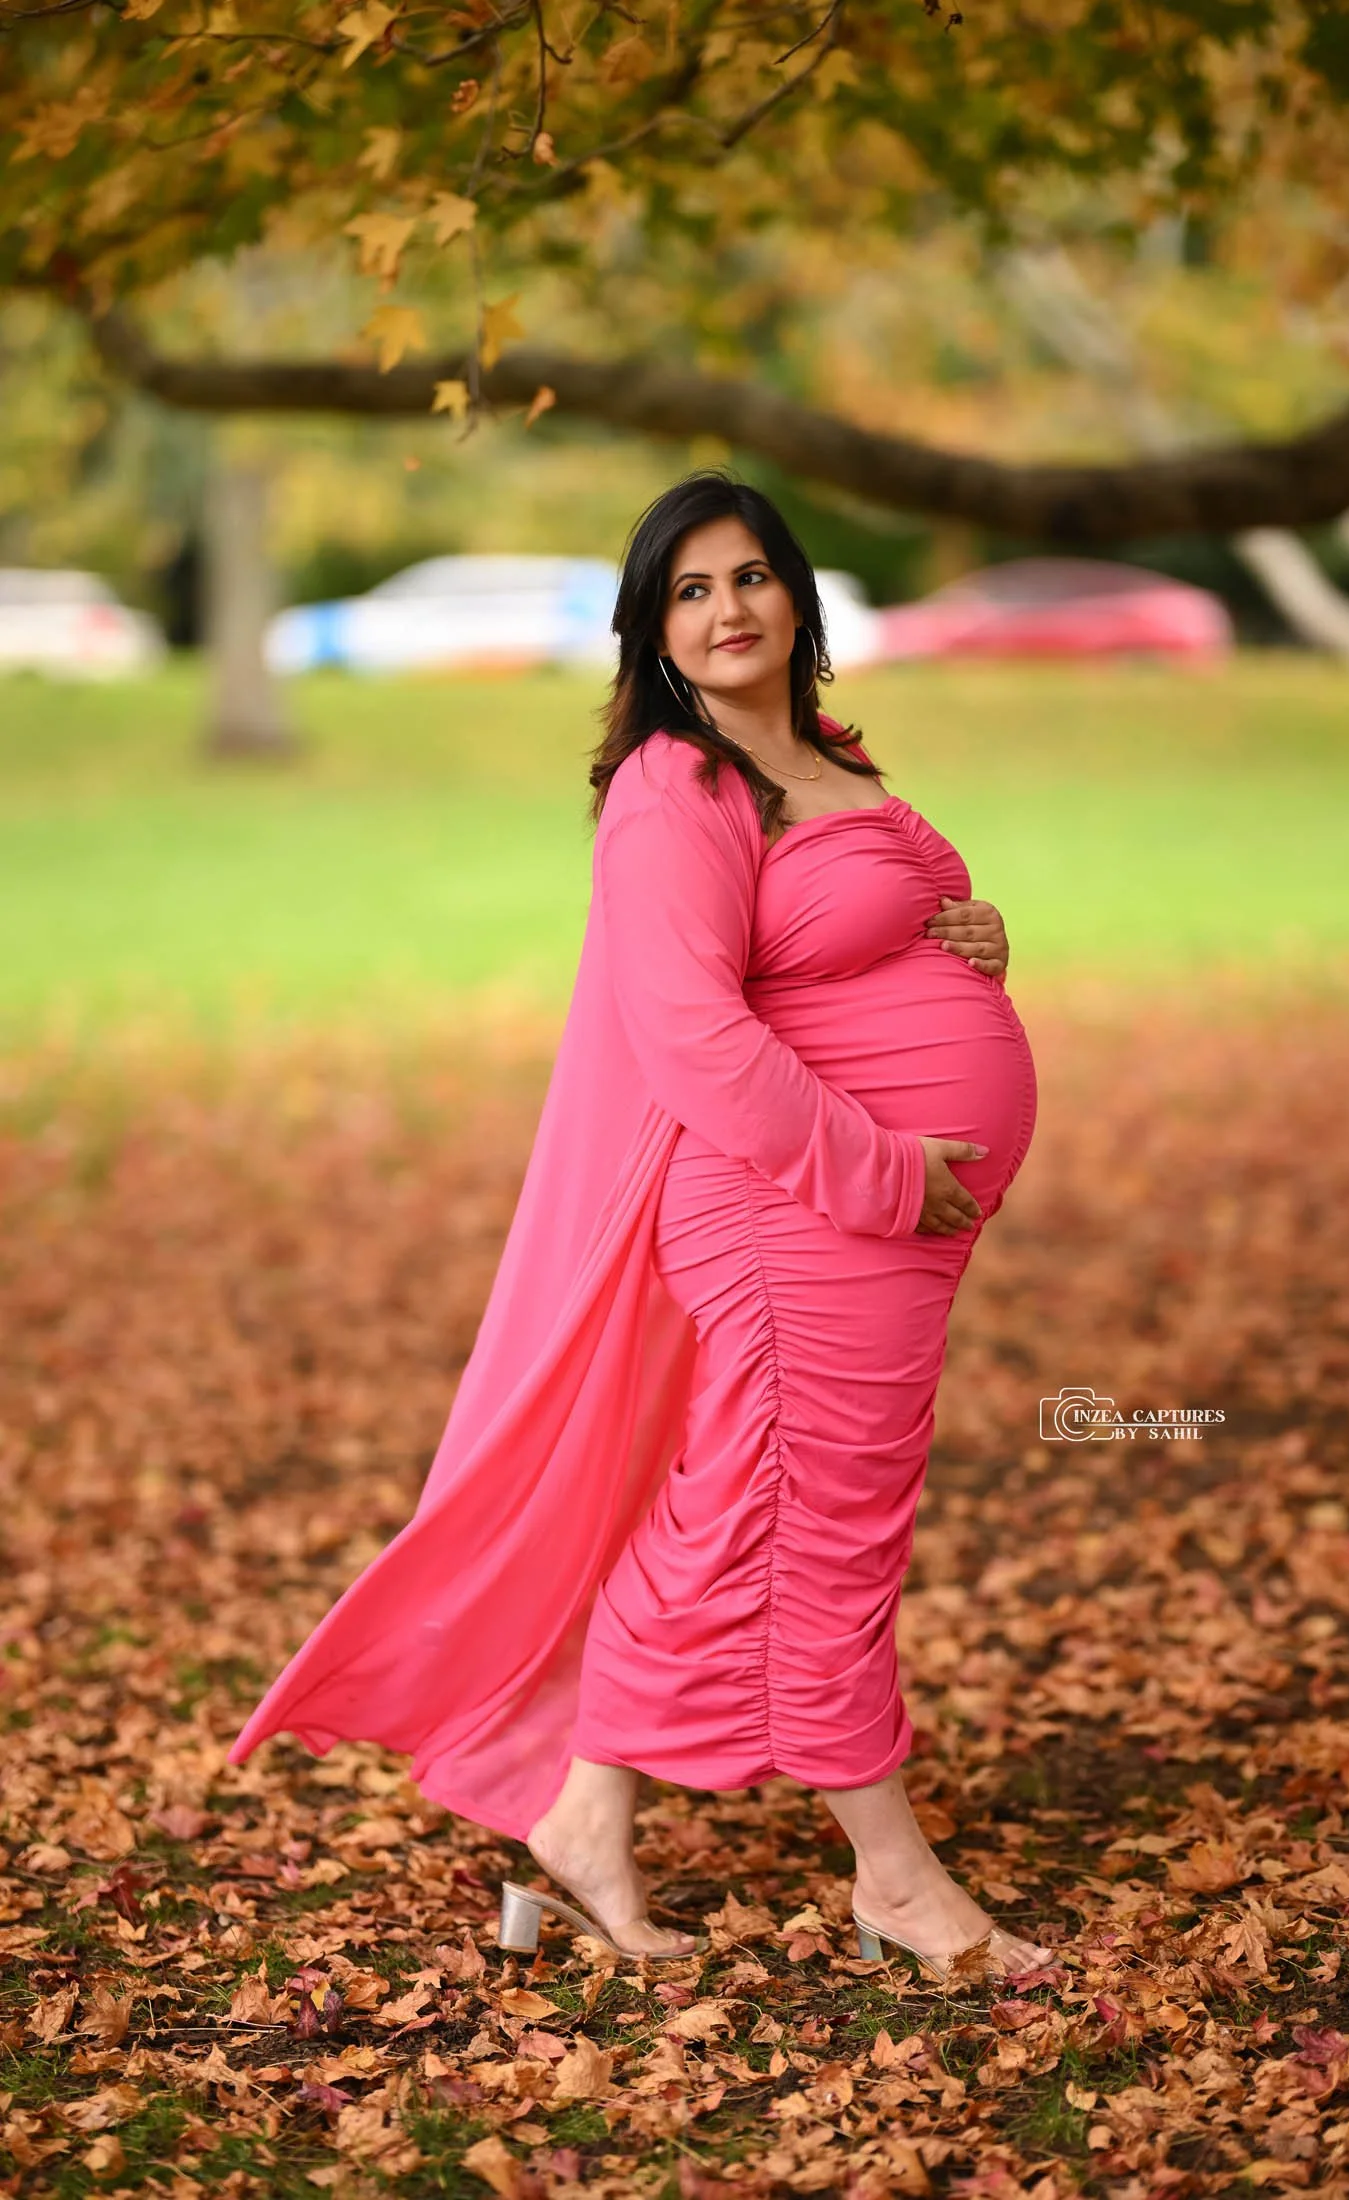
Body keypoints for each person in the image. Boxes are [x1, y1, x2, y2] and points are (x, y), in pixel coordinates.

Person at [229, 474, 1048, 1984]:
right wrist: (879, 1169)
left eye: (750, 578)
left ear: (796, 593)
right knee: (820, 1527)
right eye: (689, 591)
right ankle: (898, 1881)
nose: (727, 610)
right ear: (651, 630)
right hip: (793, 1211)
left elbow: (840, 942)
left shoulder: (818, 752)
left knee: (740, 1511)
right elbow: (692, 1037)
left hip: (872, 1221)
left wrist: (976, 937)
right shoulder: (681, 788)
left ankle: (585, 1813)